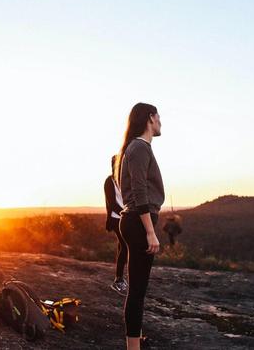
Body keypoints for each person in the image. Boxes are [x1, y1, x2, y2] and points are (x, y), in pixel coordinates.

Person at [115, 102, 165, 350]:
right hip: (138, 221)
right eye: (159, 117)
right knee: (136, 291)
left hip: (135, 220)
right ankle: (133, 347)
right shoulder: (139, 147)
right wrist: (150, 231)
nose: (161, 122)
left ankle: (137, 341)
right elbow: (139, 190)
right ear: (149, 118)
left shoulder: (136, 147)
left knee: (138, 288)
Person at [104, 155, 128, 296]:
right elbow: (112, 203)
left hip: (126, 217)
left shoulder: (125, 179)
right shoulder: (109, 181)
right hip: (116, 218)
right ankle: (118, 280)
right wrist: (127, 213)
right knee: (125, 246)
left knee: (122, 246)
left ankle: (120, 278)